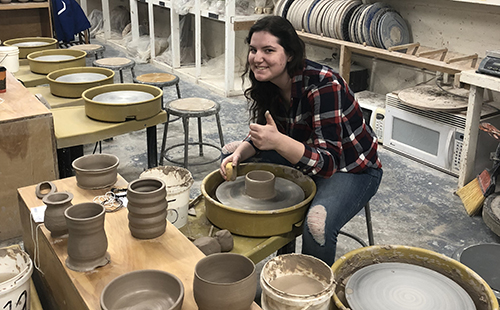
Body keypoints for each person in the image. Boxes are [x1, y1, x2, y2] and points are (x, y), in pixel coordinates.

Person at [219, 15, 383, 266]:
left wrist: (276, 142)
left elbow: (328, 164)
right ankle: (273, 254)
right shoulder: (268, 80)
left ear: (291, 54)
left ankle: (308, 292)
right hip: (305, 154)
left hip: (351, 167)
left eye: (269, 50)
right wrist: (241, 152)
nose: (257, 58)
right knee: (231, 157)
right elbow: (268, 130)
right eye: (253, 50)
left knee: (317, 225)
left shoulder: (324, 84)